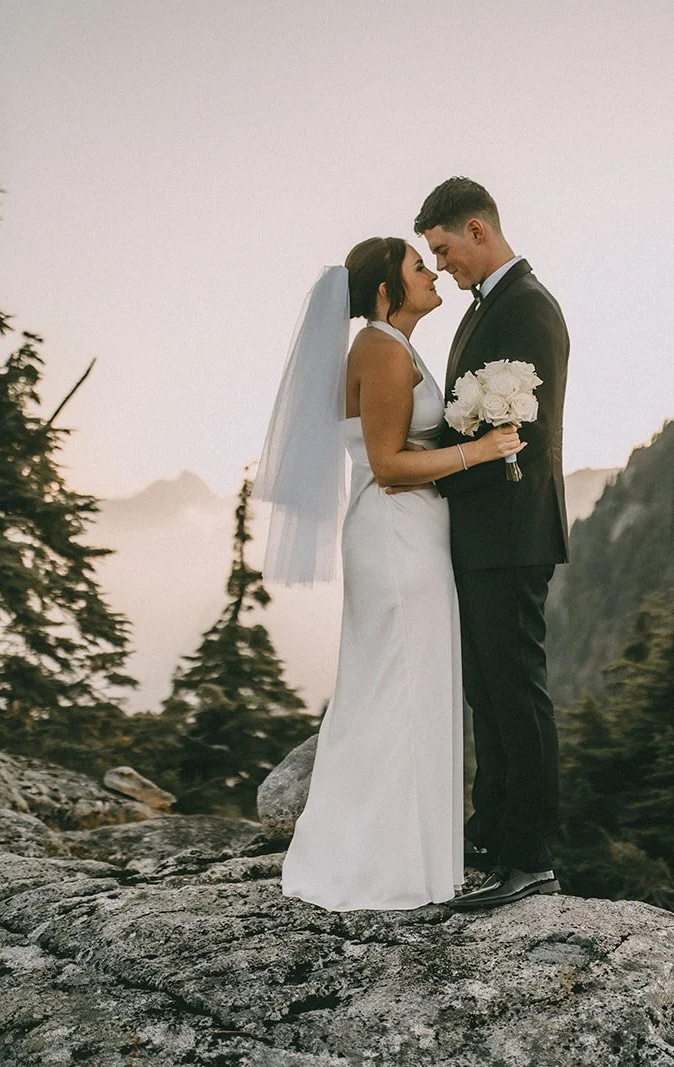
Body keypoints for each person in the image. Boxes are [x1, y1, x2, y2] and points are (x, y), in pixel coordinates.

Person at [259, 237, 523, 911]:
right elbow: (388, 465)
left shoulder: (394, 346)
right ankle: (381, 866)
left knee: (416, 686)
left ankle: (418, 861)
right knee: (397, 687)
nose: (432, 272)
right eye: (417, 265)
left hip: (414, 537)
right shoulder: (377, 349)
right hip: (393, 536)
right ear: (385, 290)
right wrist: (481, 451)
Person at [414, 177, 571, 911]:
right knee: (487, 690)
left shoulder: (528, 306)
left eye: (444, 250)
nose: (442, 266)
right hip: (481, 532)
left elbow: (522, 437)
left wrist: (428, 467)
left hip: (511, 529)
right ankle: (493, 831)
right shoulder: (485, 310)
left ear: (477, 229)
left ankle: (532, 855)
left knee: (516, 692)